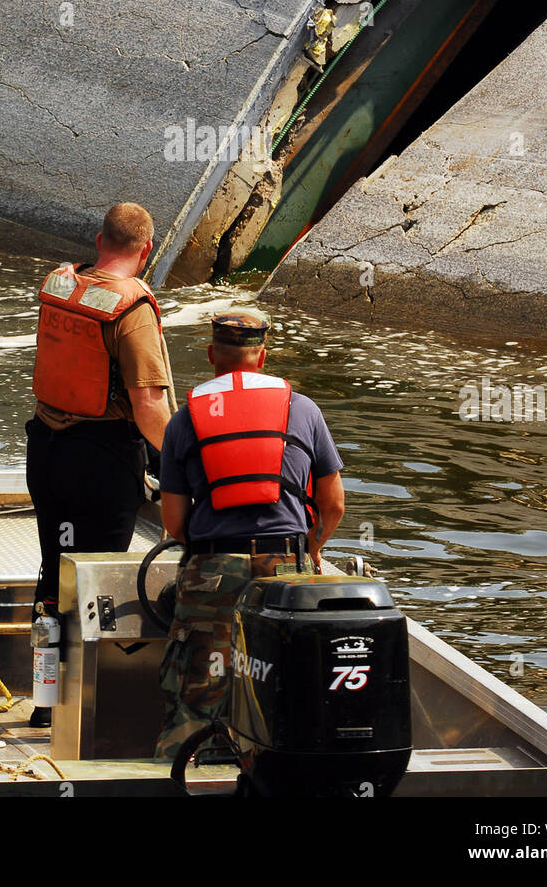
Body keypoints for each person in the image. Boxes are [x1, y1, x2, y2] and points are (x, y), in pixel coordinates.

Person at [154, 309, 345, 761]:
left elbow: (175, 522)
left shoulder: (185, 419)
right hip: (287, 574)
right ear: (262, 357)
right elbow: (333, 505)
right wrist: (310, 550)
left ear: (210, 355)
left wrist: (207, 556)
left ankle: (186, 771)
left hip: (212, 572)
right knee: (286, 681)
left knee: (196, 687)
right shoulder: (304, 409)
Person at [26, 202, 171, 723]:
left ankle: (46, 704)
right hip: (102, 460)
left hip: (45, 449)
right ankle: (83, 712)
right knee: (94, 580)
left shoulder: (59, 284)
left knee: (55, 570)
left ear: (97, 239)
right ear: (146, 250)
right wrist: (180, 458)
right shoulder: (130, 308)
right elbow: (149, 403)